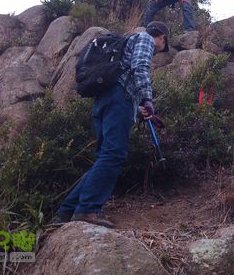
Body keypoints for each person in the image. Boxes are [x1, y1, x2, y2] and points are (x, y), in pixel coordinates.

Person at [54, 21, 170, 228]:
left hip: (103, 102)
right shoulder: (145, 39)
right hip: (118, 101)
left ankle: (66, 211)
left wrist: (139, 109)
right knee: (113, 155)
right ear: (161, 37)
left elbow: (125, 75)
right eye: (164, 43)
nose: (161, 49)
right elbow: (140, 67)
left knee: (105, 157)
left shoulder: (128, 42)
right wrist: (147, 99)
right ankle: (87, 210)